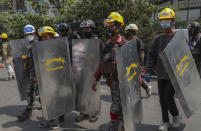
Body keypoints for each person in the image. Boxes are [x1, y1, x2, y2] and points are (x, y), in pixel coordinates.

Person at [145, 8, 181, 131]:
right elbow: (151, 55)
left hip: (174, 74)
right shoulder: (158, 39)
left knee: (168, 97)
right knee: (161, 99)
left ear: (172, 21)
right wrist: (148, 70)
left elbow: (186, 55)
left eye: (167, 20)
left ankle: (175, 116)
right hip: (161, 74)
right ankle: (165, 121)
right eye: (162, 20)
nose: (164, 22)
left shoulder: (179, 37)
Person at [91, 12, 127, 131]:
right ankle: (118, 125)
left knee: (119, 106)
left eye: (111, 25)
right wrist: (95, 79)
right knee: (117, 106)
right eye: (107, 25)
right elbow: (101, 63)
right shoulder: (106, 45)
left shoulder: (126, 44)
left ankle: (118, 125)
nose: (108, 28)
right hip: (112, 82)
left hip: (125, 83)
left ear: (119, 26)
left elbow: (133, 65)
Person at [37, 26, 64, 130]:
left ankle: (58, 121)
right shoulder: (40, 48)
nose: (44, 38)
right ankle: (48, 118)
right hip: (44, 78)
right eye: (42, 37)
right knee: (44, 99)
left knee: (57, 99)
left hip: (57, 77)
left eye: (46, 36)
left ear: (52, 36)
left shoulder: (58, 47)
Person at [74, 19, 99, 123]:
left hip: (93, 71)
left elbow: (102, 54)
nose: (85, 30)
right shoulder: (78, 41)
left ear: (92, 29)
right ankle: (83, 112)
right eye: (83, 28)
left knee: (92, 92)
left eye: (87, 28)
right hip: (80, 70)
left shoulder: (96, 41)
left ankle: (93, 112)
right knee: (81, 92)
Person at [17, 24, 39, 121]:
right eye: (26, 34)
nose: (28, 35)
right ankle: (29, 110)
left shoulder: (38, 43)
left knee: (35, 91)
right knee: (31, 91)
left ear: (34, 33)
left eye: (30, 33)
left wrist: (36, 75)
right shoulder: (26, 44)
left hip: (37, 72)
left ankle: (51, 113)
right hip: (30, 71)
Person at [125, 24, 152, 97]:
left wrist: (140, 64)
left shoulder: (138, 41)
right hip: (129, 64)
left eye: (127, 31)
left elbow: (141, 53)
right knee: (130, 79)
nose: (126, 32)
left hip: (136, 64)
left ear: (131, 31)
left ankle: (147, 88)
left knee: (137, 80)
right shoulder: (128, 41)